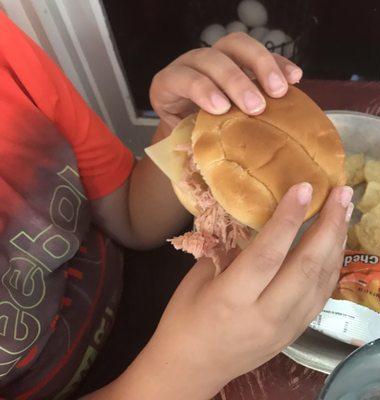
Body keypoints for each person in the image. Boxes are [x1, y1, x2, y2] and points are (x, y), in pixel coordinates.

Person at [0, 11, 353, 400]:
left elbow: (131, 219)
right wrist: (187, 373)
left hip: (149, 289)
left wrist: (186, 131)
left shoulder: (7, 50)